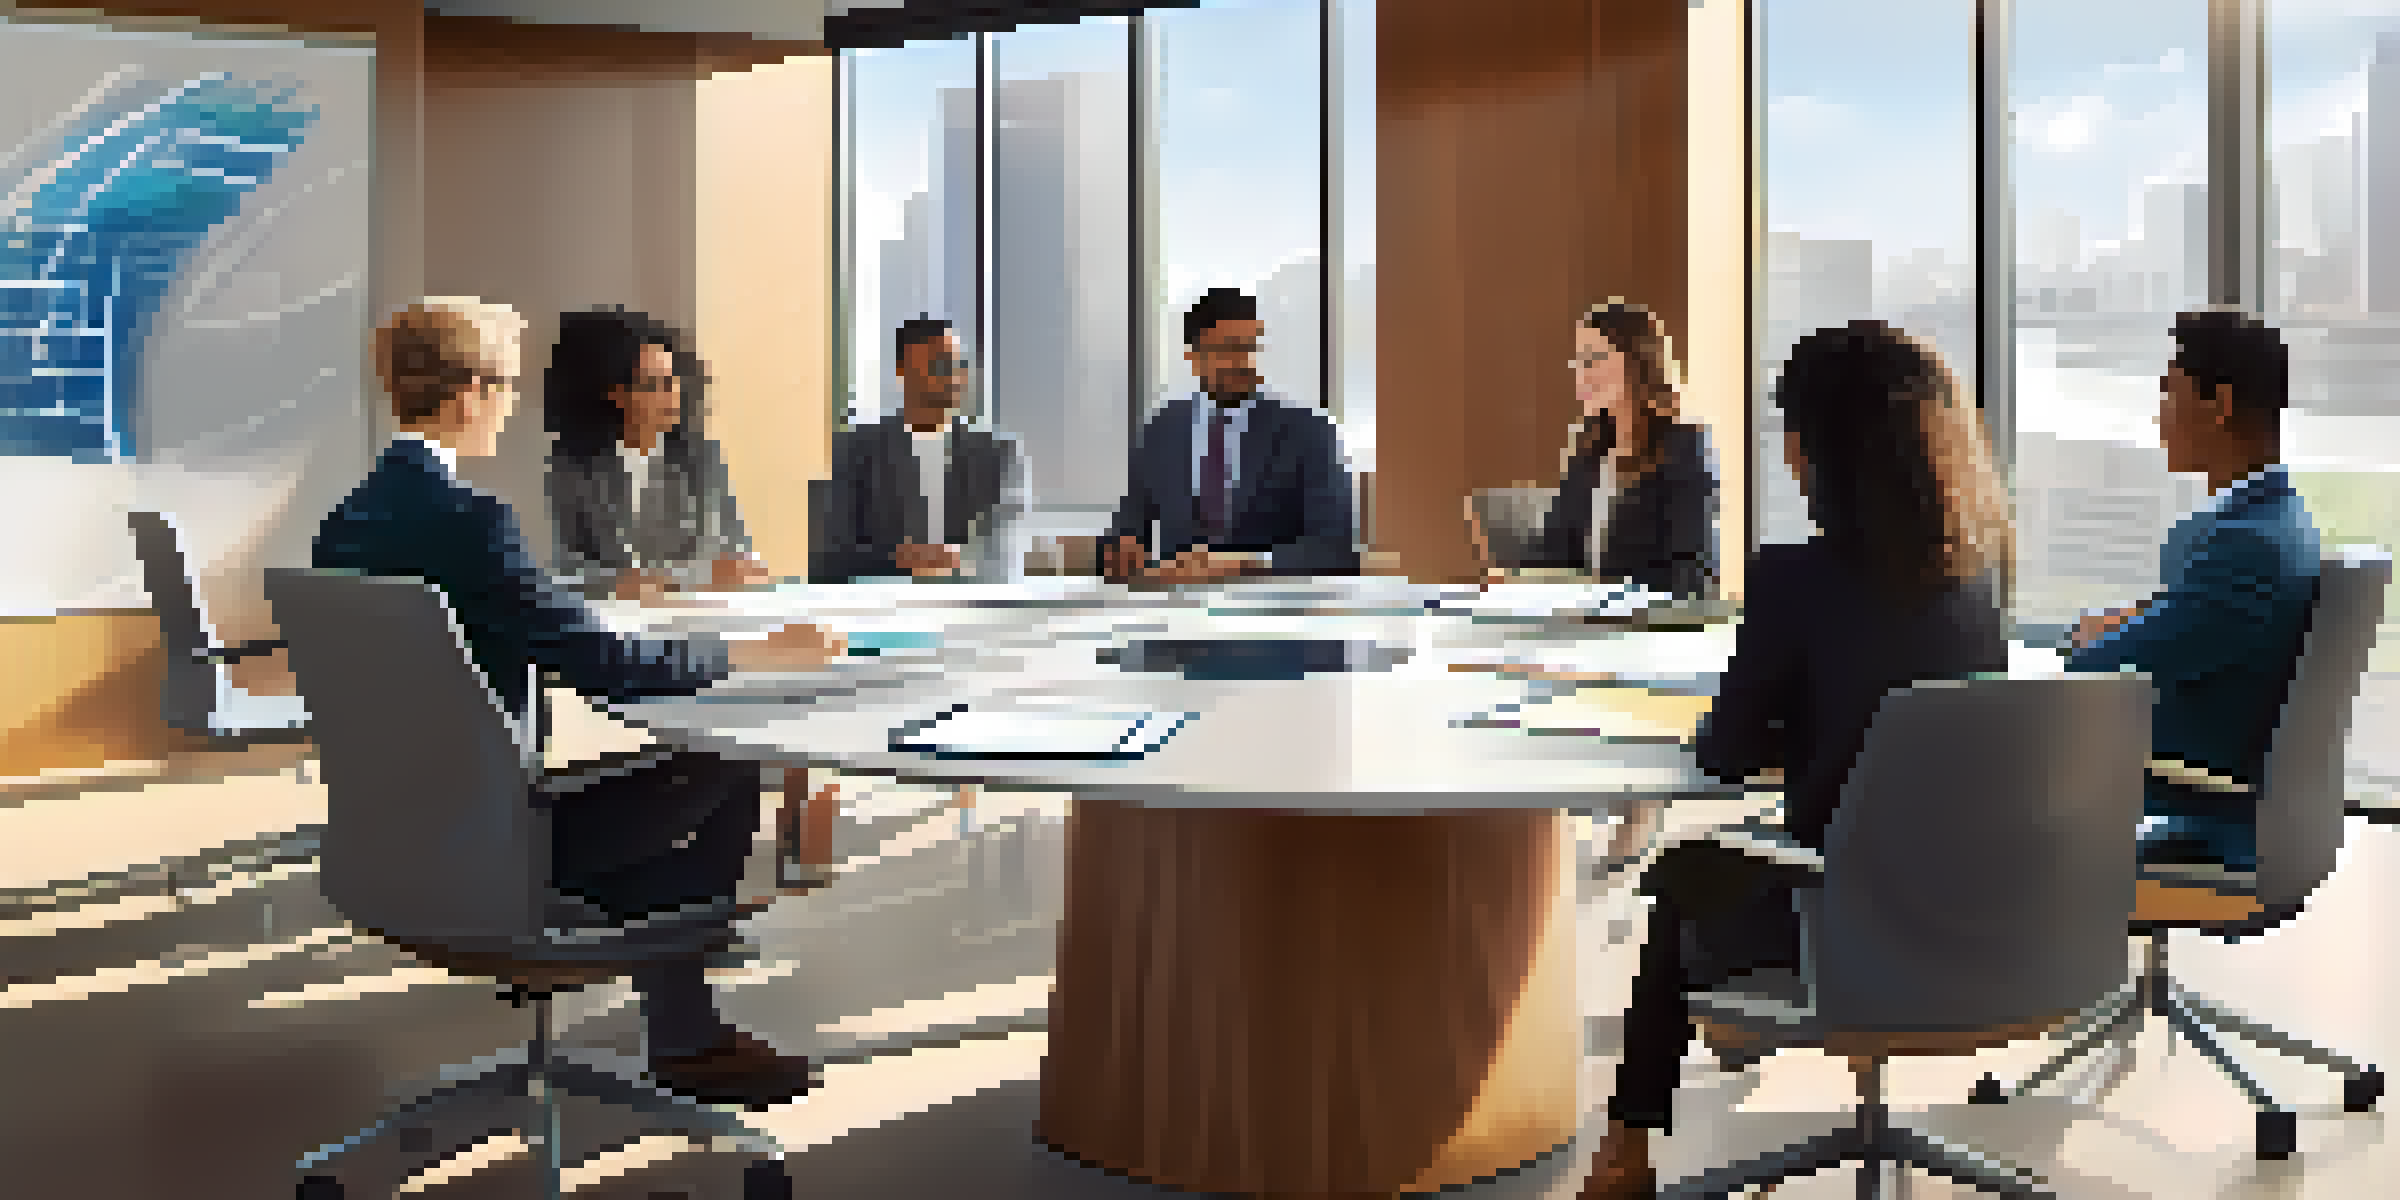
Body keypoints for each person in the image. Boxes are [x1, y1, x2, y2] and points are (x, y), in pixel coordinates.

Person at [314, 298, 842, 1108]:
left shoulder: (343, 526)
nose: (511, 406)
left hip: (390, 839)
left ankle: (678, 1000)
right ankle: (685, 1031)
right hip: (490, 848)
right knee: (725, 763)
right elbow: (606, 666)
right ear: (466, 397)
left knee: (680, 774)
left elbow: (523, 623)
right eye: (505, 388)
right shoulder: (473, 521)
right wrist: (749, 652)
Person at [1577, 321, 2015, 1199]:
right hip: (1985, 914)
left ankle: (1624, 1156)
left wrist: (1773, 718)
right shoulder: (1980, 575)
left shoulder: (1794, 577)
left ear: (1820, 446)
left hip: (1842, 915)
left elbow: (1727, 756)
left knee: (1679, 884)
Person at [2064, 309, 2321, 873]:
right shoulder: (2278, 522)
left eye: (2168, 392)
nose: (2158, 413)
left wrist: (2090, 638)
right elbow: (2183, 638)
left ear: (2219, 405)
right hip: (2194, 786)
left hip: (2193, 812)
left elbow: (2103, 670)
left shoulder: (2246, 547)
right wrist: (2137, 623)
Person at [1102, 288, 1359, 582]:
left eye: (1250, 348)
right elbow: (1127, 528)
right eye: (1229, 349)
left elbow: (1335, 549)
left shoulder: (1308, 431)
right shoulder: (1161, 430)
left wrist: (1242, 564)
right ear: (1193, 356)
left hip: (1274, 606)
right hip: (1175, 607)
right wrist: (1120, 550)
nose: (1244, 362)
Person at [544, 307, 769, 602]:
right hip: (615, 630)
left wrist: (674, 583)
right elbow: (564, 574)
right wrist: (625, 586)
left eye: (673, 380)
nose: (671, 394)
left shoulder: (703, 459)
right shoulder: (572, 467)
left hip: (698, 622)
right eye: (655, 385)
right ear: (616, 394)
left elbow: (740, 560)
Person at [1505, 300, 1719, 597]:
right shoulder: (1590, 452)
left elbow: (1688, 571)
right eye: (1578, 361)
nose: (1581, 372)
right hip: (1586, 625)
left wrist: (1601, 589)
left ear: (1636, 362)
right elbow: (1551, 549)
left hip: (1650, 629)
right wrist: (1512, 578)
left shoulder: (1684, 447)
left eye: (1593, 359)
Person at [813, 315, 1030, 583]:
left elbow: (1004, 554)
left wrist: (958, 561)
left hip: (970, 610)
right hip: (879, 610)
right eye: (940, 366)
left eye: (959, 365)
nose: (954, 376)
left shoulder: (997, 455)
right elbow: (826, 557)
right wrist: (898, 559)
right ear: (903, 370)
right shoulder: (854, 450)